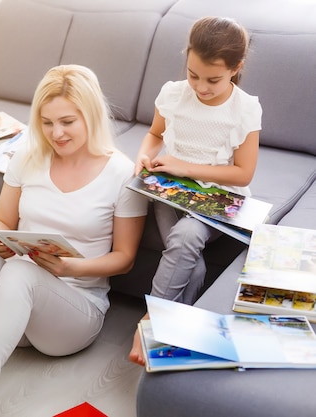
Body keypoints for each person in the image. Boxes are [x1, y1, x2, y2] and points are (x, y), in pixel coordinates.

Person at [0, 64, 148, 417]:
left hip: (73, 315)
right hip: (10, 313)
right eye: (47, 122)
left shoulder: (122, 173)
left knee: (19, 274)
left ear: (92, 115)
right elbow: (3, 220)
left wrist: (73, 266)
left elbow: (124, 258)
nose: (56, 133)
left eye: (67, 122)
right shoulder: (27, 157)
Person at [129, 16, 263, 366]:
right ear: (186, 59)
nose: (201, 88)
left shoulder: (245, 109)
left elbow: (243, 172)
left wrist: (182, 166)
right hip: (169, 192)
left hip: (219, 200)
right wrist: (145, 155)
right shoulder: (173, 95)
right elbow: (155, 135)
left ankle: (152, 320)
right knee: (195, 266)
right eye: (193, 74)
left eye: (213, 80)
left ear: (236, 68)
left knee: (187, 234)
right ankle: (180, 330)